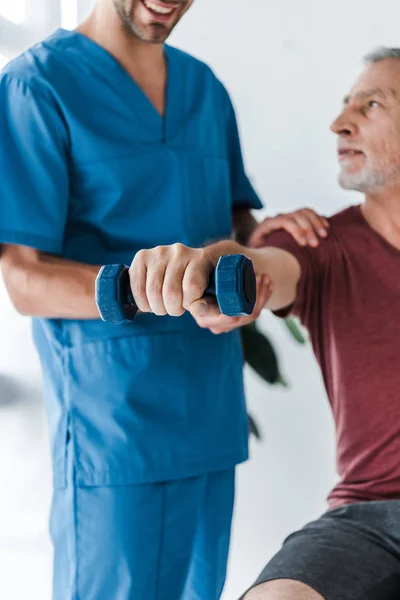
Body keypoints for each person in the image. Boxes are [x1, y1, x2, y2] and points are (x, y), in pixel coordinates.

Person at [0, 1, 329, 598]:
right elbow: (23, 277)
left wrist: (275, 238)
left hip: (209, 411)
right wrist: (138, 286)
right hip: (115, 427)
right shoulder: (37, 86)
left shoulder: (204, 88)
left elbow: (236, 225)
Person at [113, 47, 400, 600]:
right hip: (364, 521)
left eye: (371, 105)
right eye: (345, 105)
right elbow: (252, 269)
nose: (340, 123)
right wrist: (197, 271)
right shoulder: (317, 244)